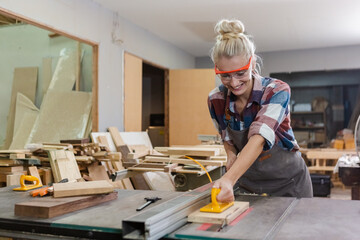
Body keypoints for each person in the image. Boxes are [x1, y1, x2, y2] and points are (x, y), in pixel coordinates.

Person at [207, 19, 313, 202]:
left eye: (240, 73)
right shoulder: (216, 99)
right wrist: (231, 154)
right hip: (249, 184)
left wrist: (228, 179)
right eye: (225, 76)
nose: (234, 83)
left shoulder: (276, 90)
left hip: (289, 183)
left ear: (252, 61)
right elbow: (226, 137)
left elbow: (259, 138)